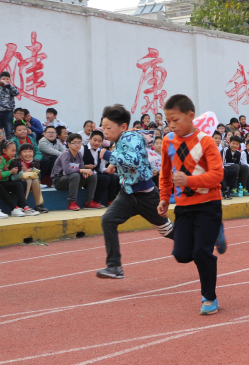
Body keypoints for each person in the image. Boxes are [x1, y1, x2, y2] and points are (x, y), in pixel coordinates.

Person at [158, 94, 226, 316]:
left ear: (190, 116)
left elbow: (217, 175)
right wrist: (164, 197)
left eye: (175, 120)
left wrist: (189, 181)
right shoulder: (168, 141)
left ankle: (209, 298)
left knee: (200, 252)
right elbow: (165, 172)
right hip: (184, 207)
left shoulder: (206, 141)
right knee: (182, 254)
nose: (171, 125)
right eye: (168, 121)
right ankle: (216, 234)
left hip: (209, 205)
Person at [95, 104, 176, 280]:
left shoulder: (131, 137)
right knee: (108, 220)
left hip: (146, 196)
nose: (105, 132)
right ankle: (114, 267)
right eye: (103, 128)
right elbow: (123, 156)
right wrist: (112, 165)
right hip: (127, 195)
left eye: (109, 128)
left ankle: (201, 241)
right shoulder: (120, 140)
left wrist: (107, 156)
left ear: (123, 126)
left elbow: (134, 160)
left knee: (168, 231)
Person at [51, 133, 102, 211]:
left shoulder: (79, 154)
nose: (77, 144)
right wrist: (83, 170)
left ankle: (88, 202)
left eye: (79, 142)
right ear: (69, 145)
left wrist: (85, 172)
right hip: (59, 180)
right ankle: (71, 202)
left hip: (72, 179)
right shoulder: (65, 154)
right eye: (74, 142)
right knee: (75, 175)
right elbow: (67, 170)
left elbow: (81, 168)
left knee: (93, 175)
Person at [83, 131, 119, 205]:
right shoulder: (82, 149)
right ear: (90, 139)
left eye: (99, 141)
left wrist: (107, 170)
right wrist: (84, 167)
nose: (96, 143)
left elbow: (101, 167)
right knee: (105, 178)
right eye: (94, 140)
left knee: (114, 176)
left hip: (95, 174)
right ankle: (94, 200)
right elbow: (77, 163)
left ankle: (111, 200)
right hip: (85, 176)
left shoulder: (100, 151)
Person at [17, 143, 47, 213]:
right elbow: (14, 175)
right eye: (25, 151)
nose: (28, 154)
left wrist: (29, 171)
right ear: (20, 154)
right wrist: (23, 171)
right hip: (20, 181)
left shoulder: (35, 162)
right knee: (28, 180)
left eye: (30, 151)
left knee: (35, 180)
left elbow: (38, 174)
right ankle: (23, 205)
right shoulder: (17, 161)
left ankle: (38, 205)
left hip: (33, 182)